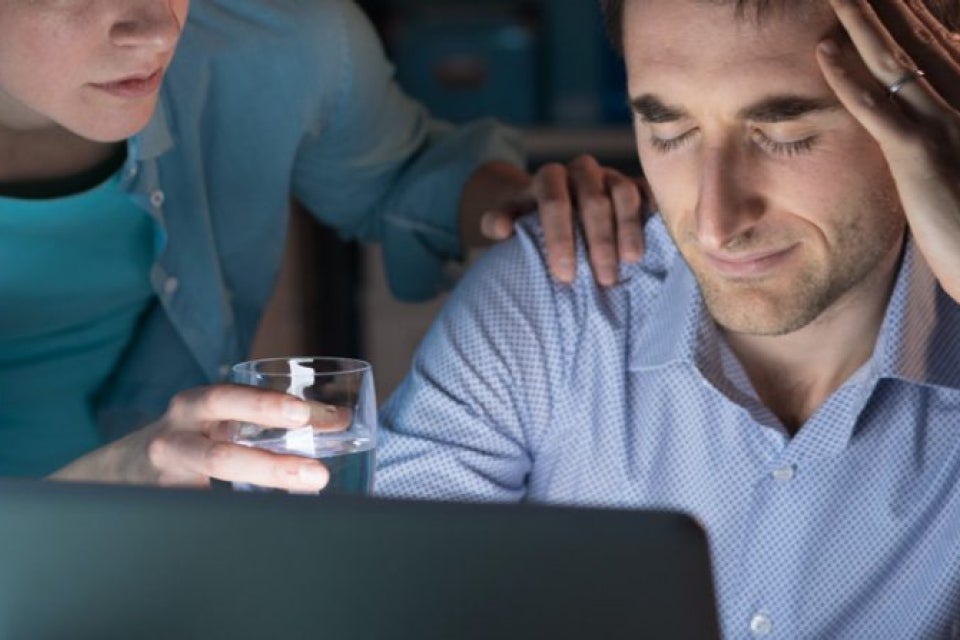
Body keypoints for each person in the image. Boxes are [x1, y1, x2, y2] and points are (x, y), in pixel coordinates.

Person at [375, 0, 960, 636]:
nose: (714, 223)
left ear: (937, 96)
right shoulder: (549, 303)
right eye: (670, 131)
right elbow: (387, 603)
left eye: (786, 134)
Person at [0, 1, 646, 486]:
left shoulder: (276, 39)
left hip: (175, 556)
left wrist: (532, 205)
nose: (157, 30)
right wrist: (115, 481)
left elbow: (401, 175)